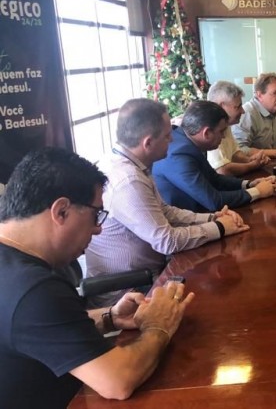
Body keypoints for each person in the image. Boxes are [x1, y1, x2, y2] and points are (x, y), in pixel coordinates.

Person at [0, 147, 193, 405]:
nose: (98, 229)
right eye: (96, 215)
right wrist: (159, 325)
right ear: (61, 211)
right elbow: (118, 380)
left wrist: (109, 317)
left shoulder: (14, 271)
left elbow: (36, 327)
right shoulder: (34, 288)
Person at [85, 99, 250, 308]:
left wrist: (212, 217)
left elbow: (165, 211)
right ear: (148, 143)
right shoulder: (128, 180)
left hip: (152, 273)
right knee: (219, 298)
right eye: (166, 135)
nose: (172, 139)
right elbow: (166, 241)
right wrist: (220, 228)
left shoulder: (134, 164)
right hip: (130, 291)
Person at [153, 101, 276, 212]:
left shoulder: (186, 141)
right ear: (207, 133)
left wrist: (250, 184)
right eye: (221, 131)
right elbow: (213, 201)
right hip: (182, 222)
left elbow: (214, 179)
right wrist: (258, 192)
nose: (223, 137)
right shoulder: (179, 154)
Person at [231, 72, 276, 159]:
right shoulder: (247, 113)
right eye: (275, 93)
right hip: (254, 165)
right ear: (259, 95)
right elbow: (239, 150)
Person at [206, 80, 269, 176]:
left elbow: (234, 154)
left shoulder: (226, 124)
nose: (242, 111)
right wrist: (252, 165)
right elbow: (222, 170)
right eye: (238, 107)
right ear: (221, 106)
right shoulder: (210, 128)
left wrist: (250, 160)